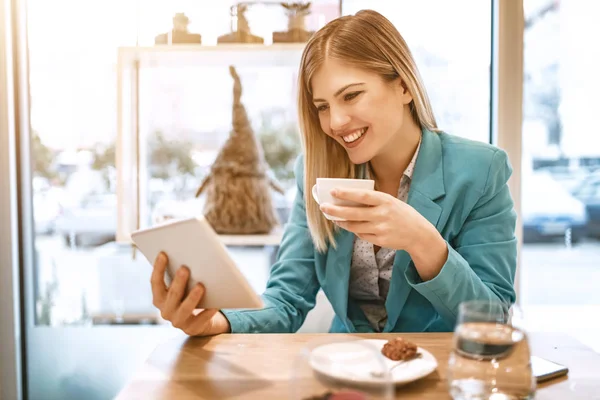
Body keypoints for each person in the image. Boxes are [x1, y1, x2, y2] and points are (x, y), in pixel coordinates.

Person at [150, 9, 517, 336]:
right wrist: (217, 320)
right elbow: (287, 299)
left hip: (439, 378)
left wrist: (423, 241)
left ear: (403, 85)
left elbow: (493, 321)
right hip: (344, 374)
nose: (336, 122)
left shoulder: (481, 171)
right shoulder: (315, 173)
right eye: (322, 106)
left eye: (352, 95)